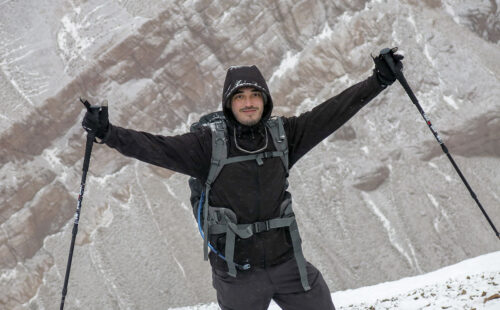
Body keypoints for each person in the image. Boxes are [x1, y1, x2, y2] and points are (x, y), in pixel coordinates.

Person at [82, 48, 404, 310]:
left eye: (254, 95)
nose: (248, 102)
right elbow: (155, 147)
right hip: (238, 275)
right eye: (239, 97)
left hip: (288, 264)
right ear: (228, 104)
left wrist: (378, 80)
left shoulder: (285, 136)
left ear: (264, 101)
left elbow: (332, 112)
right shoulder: (207, 146)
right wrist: (108, 133)